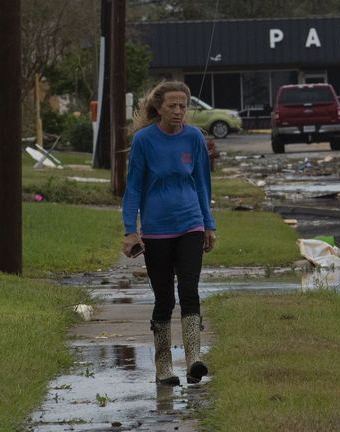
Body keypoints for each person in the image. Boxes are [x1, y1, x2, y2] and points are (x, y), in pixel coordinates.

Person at [121, 80, 217, 386]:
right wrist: (130, 230)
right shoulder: (144, 141)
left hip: (190, 224)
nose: (178, 111)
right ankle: (163, 366)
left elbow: (202, 183)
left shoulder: (194, 138)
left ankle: (193, 360)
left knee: (189, 291)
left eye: (183, 106)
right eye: (172, 106)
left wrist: (208, 223)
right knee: (164, 299)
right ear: (158, 107)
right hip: (156, 231)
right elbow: (133, 186)